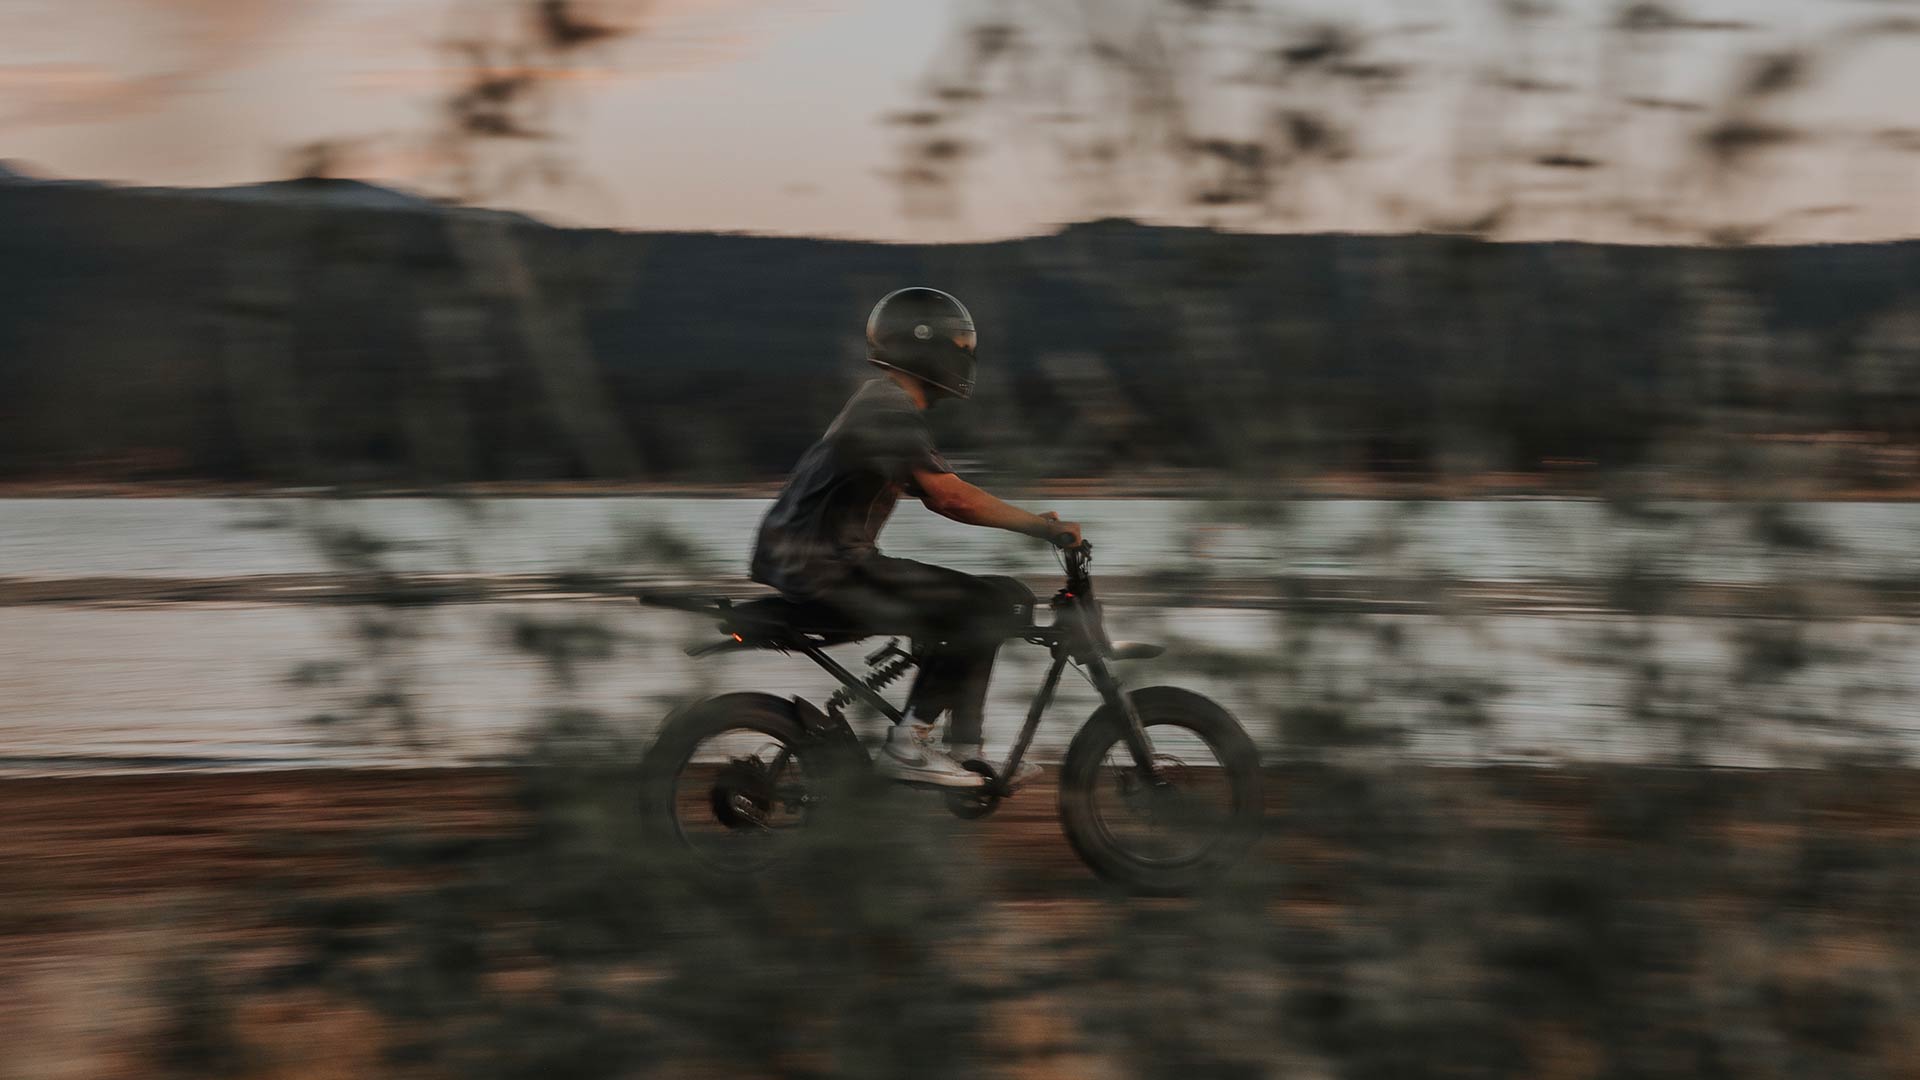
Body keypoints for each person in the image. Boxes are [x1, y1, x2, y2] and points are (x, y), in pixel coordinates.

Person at [748, 287, 1082, 789]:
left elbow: (937, 494)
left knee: (1003, 596)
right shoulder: (889, 408)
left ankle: (966, 750)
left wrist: (1033, 521)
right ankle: (912, 743)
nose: (966, 356)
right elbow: (951, 498)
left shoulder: (883, 404)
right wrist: (1043, 528)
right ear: (928, 348)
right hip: (827, 566)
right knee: (978, 606)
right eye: (960, 345)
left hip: (817, 561)